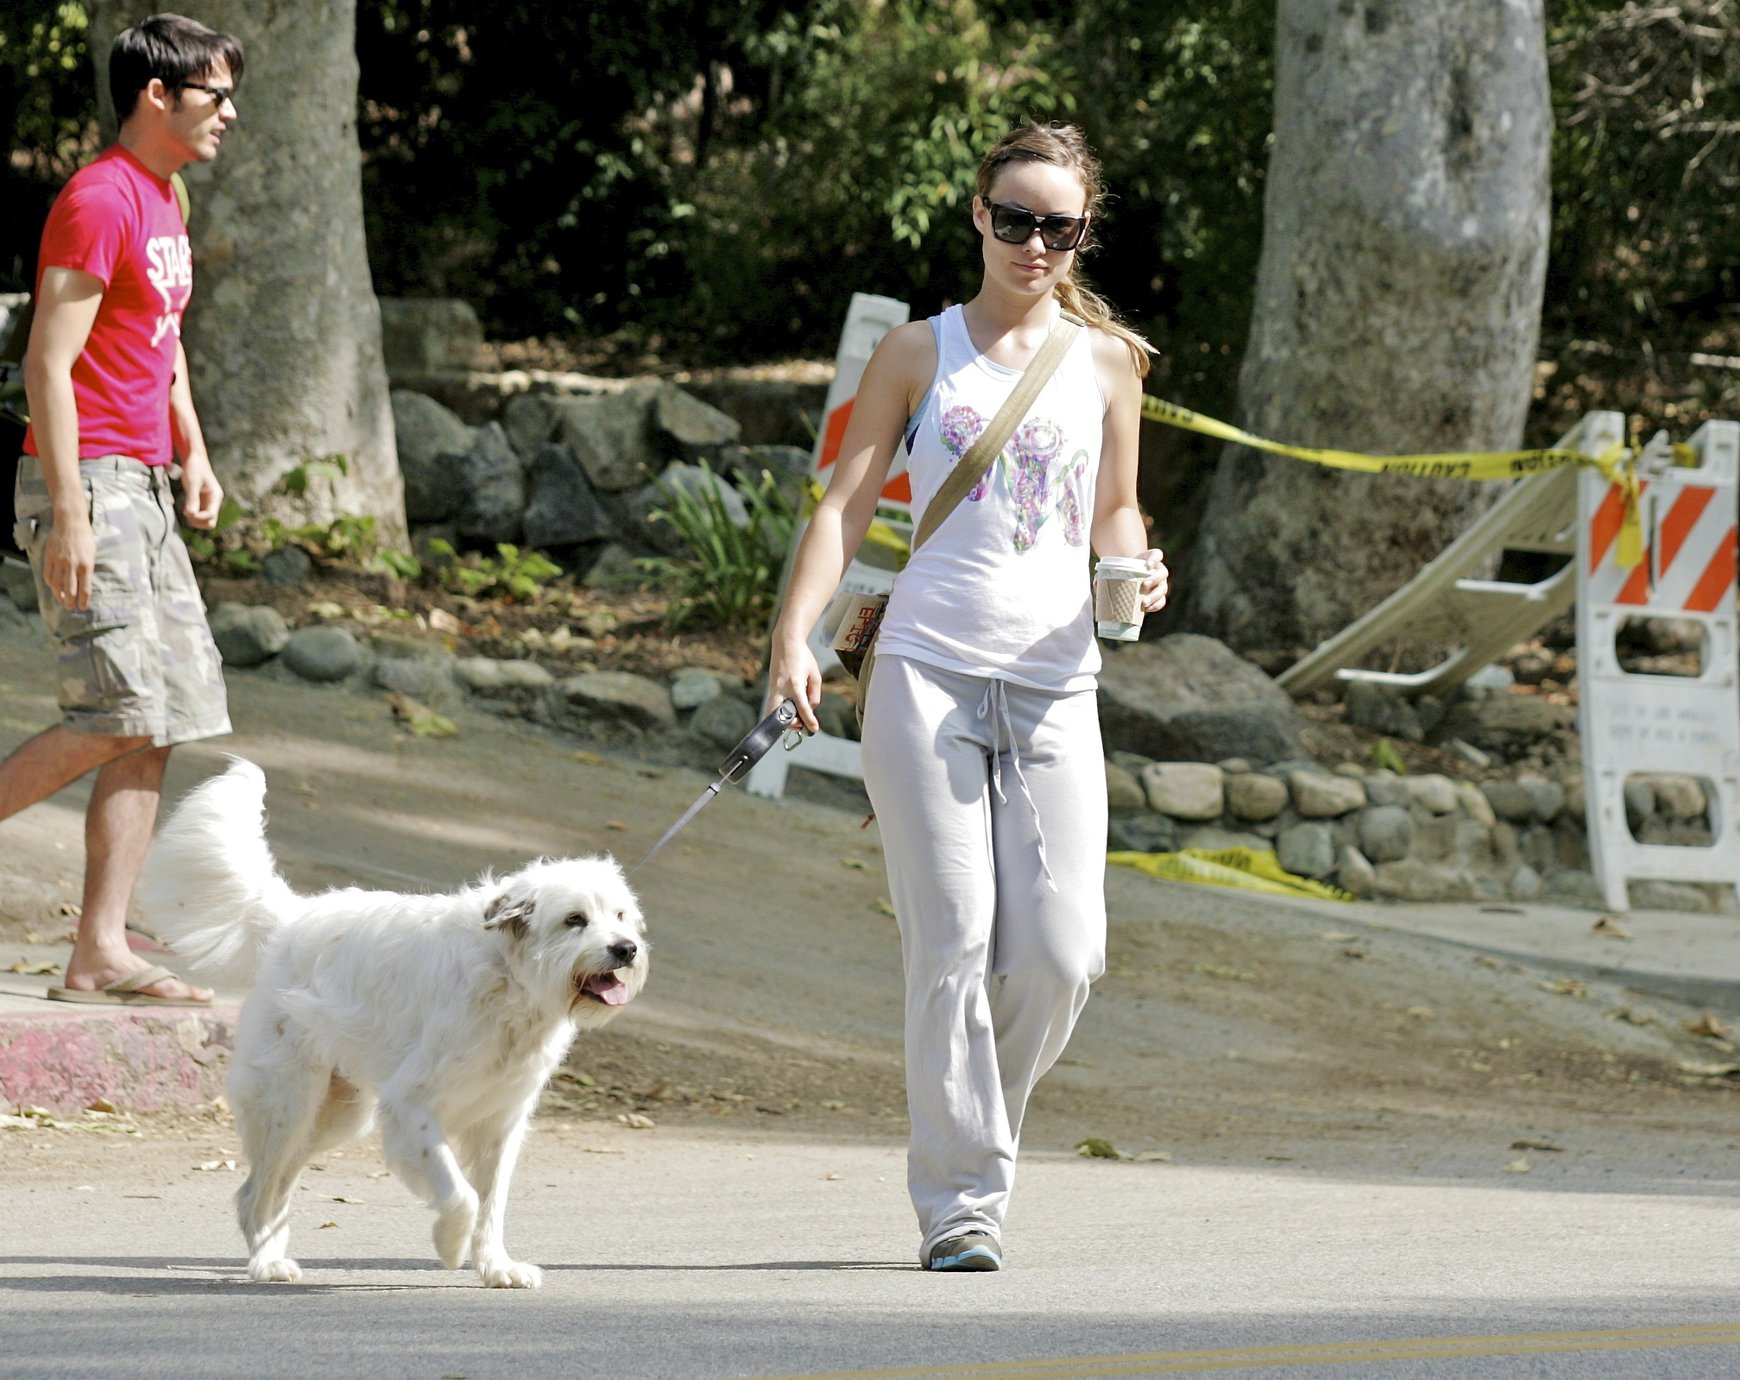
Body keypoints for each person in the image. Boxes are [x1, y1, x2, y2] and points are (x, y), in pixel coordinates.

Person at [767, 122, 1169, 1272]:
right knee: (950, 943)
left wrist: (1135, 568)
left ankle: (966, 1125)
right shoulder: (916, 351)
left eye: (1059, 225)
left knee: (1059, 952)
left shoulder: (1108, 365)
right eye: (1013, 219)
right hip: (924, 671)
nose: (1033, 243)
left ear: (1084, 233)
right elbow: (844, 508)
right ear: (977, 217)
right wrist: (794, 635)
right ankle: (962, 1203)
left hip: (1055, 682)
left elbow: (1117, 510)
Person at [0, 14, 244, 1007]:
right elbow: (46, 363)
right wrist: (68, 510)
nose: (229, 112)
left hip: (142, 481)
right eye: (215, 94)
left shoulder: (166, 194)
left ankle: (100, 950)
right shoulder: (99, 199)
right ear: (158, 94)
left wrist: (193, 448)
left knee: (156, 721)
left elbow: (162, 337)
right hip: (88, 481)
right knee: (111, 717)